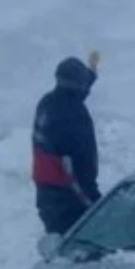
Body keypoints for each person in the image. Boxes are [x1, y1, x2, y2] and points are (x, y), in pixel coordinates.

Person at [32, 52, 102, 234]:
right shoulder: (74, 117)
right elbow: (78, 169)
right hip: (68, 201)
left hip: (45, 194)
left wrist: (92, 70)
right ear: (77, 84)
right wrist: (97, 206)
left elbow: (76, 92)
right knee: (79, 255)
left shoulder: (48, 103)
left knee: (59, 250)